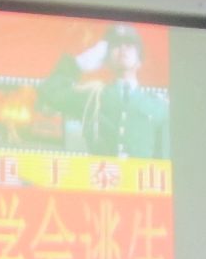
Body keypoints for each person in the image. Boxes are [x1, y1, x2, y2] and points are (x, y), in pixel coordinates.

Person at [38, 22, 170, 159]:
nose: (123, 49)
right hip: (101, 171)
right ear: (105, 59)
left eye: (129, 45)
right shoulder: (92, 97)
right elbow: (50, 94)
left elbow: (165, 159)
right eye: (116, 45)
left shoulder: (158, 106)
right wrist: (78, 64)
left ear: (140, 60)